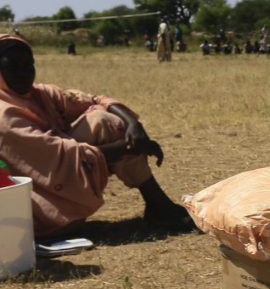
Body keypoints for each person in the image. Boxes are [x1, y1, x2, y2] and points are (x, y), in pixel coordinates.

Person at [0, 34, 194, 237]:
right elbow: (60, 156)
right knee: (105, 127)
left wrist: (133, 124)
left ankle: (159, 206)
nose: (22, 72)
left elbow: (95, 99)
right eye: (10, 66)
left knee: (101, 120)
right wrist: (131, 146)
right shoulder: (4, 115)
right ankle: (160, 207)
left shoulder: (39, 95)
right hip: (39, 213)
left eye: (28, 64)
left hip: (60, 185)